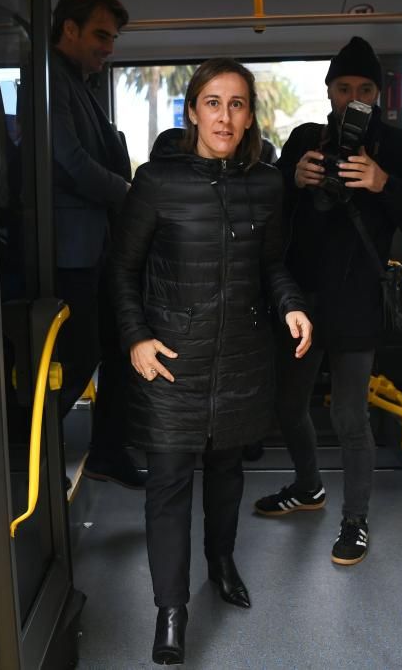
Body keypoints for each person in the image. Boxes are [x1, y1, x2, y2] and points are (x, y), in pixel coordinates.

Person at [111, 58, 313, 666]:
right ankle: (171, 613)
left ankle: (221, 562)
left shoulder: (267, 184)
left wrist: (292, 306)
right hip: (171, 359)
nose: (226, 116)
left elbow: (272, 264)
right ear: (193, 110)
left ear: (251, 115)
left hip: (242, 359)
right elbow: (120, 270)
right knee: (169, 485)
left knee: (226, 471)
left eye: (238, 104)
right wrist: (136, 340)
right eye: (214, 103)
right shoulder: (155, 182)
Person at [253, 37, 402, 566]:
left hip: (358, 299)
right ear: (329, 90)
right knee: (289, 404)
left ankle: (355, 521)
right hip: (301, 298)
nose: (353, 96)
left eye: (364, 89)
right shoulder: (305, 139)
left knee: (351, 416)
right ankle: (309, 487)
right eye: (344, 87)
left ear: (378, 94)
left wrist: (382, 183)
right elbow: (270, 211)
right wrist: (293, 178)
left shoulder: (397, 147)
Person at [49, 0, 145, 488]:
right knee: (82, 353)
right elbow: (69, 164)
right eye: (101, 36)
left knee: (119, 344)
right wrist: (131, 193)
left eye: (112, 39)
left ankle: (109, 450)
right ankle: (26, 446)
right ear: (69, 29)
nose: (109, 48)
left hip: (96, 246)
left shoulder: (79, 84)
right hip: (69, 251)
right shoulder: (50, 80)